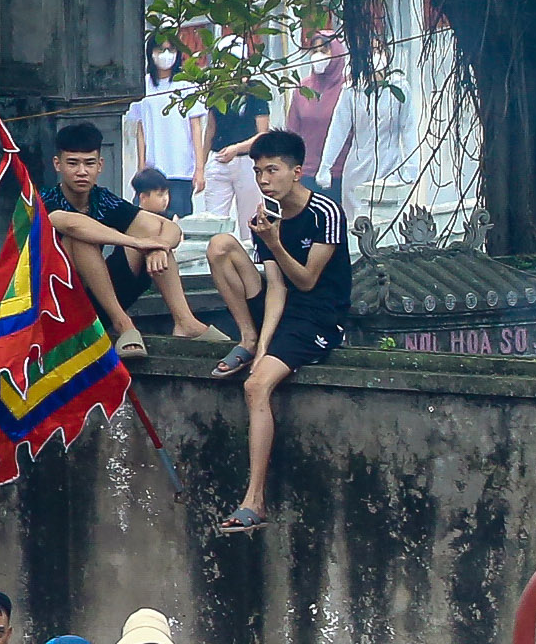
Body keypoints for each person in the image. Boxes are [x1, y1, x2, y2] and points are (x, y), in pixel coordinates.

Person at [203, 128, 353, 534]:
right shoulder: (266, 216)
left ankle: (255, 499)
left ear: (296, 171)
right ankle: (247, 338)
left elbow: (305, 281)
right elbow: (277, 289)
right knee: (219, 245)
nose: (264, 179)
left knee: (256, 387)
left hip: (318, 317)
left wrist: (275, 241)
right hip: (283, 307)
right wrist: (263, 341)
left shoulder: (325, 213)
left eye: (272, 170)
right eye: (258, 171)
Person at [43, 119, 208, 350]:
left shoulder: (102, 199)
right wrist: (137, 242)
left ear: (100, 165)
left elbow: (169, 227)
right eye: (73, 163)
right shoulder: (43, 200)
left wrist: (158, 245)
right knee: (81, 238)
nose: (82, 171)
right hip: (56, 304)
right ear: (57, 164)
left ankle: (186, 321)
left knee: (152, 232)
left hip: (97, 300)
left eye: (89, 163)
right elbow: (69, 224)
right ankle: (123, 325)